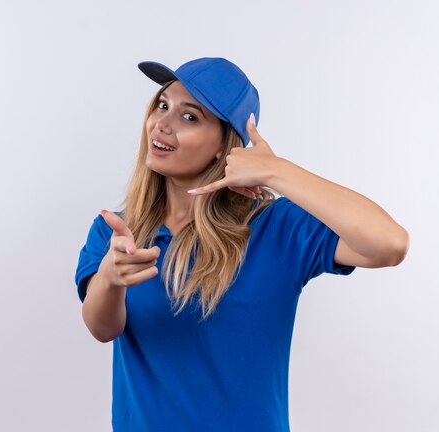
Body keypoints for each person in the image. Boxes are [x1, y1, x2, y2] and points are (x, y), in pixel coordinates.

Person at [74, 57, 408, 432]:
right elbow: (102, 329)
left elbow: (390, 243)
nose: (162, 124)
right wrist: (109, 277)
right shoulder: (119, 233)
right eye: (163, 105)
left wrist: (276, 171)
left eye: (190, 117)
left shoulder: (274, 228)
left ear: (225, 146)